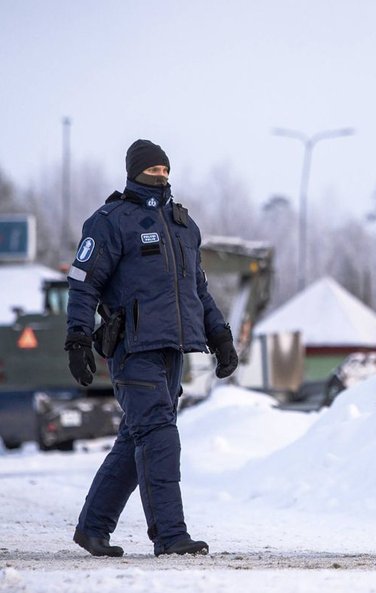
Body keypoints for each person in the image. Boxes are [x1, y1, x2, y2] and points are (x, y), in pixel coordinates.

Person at [65, 139, 239, 557]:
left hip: (173, 348)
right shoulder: (110, 221)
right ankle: (171, 535)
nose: (160, 175)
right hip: (133, 347)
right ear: (133, 172)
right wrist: (77, 336)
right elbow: (83, 283)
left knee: (135, 439)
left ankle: (93, 528)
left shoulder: (183, 224)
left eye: (165, 169)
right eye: (152, 169)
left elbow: (197, 289)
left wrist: (221, 336)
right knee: (159, 435)